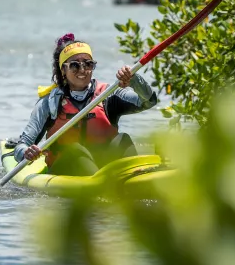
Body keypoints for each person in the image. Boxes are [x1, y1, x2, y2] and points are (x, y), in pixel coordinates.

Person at [13, 33, 158, 176]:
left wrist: (133, 80)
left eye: (88, 64)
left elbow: (148, 101)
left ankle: (134, 179)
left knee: (122, 139)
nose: (82, 70)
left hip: (103, 168)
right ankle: (100, 186)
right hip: (64, 171)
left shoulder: (108, 94)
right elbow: (21, 145)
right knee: (75, 149)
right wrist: (26, 152)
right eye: (75, 66)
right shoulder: (49, 103)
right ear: (63, 69)